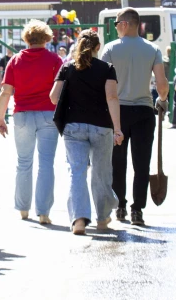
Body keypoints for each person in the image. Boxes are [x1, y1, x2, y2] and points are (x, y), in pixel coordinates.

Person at [49, 30, 123, 235]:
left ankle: (79, 219)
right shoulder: (107, 68)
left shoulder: (67, 68)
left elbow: (54, 98)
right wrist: (117, 128)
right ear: (98, 47)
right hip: (102, 126)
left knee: (77, 171)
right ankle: (102, 218)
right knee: (101, 173)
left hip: (73, 127)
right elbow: (112, 98)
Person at [101, 8, 169, 226]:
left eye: (116, 24)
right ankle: (137, 209)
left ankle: (119, 205)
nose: (116, 28)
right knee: (142, 163)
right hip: (143, 111)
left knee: (117, 161)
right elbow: (161, 82)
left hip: (117, 112)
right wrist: (163, 99)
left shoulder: (110, 49)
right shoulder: (152, 49)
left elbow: (102, 82)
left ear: (125, 24)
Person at [0, 20, 63, 224]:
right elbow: (61, 90)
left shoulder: (15, 60)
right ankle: (43, 212)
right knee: (46, 164)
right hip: (48, 114)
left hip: (22, 114)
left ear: (26, 38)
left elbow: (6, 92)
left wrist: (0, 118)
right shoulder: (54, 60)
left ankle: (23, 209)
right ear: (46, 38)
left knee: (23, 162)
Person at [0, 49, 13, 123]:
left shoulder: (14, 58)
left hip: (15, 82)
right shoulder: (3, 59)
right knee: (5, 98)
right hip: (6, 81)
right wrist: (0, 81)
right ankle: (5, 117)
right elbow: (0, 71)